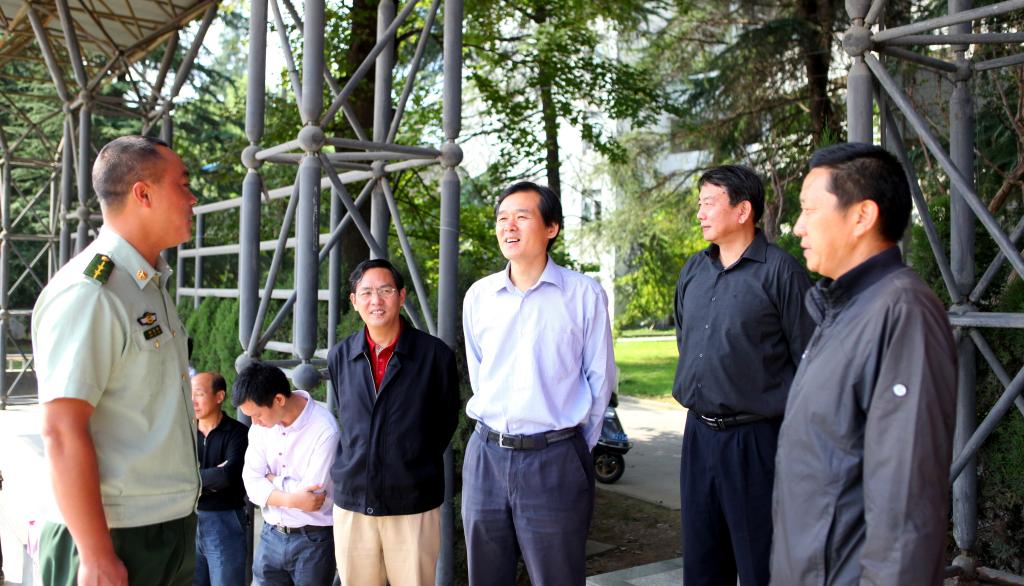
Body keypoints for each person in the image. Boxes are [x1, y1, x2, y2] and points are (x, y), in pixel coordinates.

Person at [771, 143, 958, 585]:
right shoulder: (842, 308)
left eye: (809, 210)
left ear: (861, 216)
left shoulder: (902, 313)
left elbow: (906, 504)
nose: (797, 227)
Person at [32, 135, 200, 586]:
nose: (193, 198)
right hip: (114, 536)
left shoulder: (144, 285)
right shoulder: (91, 291)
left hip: (162, 527)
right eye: (182, 184)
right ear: (143, 194)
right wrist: (95, 554)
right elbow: (61, 429)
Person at [462, 181, 616, 585]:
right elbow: (480, 374)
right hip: (486, 457)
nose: (508, 226)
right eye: (502, 218)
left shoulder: (583, 295)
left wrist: (570, 449)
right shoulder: (479, 297)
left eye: (521, 217)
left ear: (551, 228)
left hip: (555, 460)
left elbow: (600, 381)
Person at [672, 165, 814, 586]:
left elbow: (810, 363)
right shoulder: (693, 270)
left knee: (760, 565)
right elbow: (687, 341)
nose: (700, 213)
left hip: (756, 442)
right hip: (698, 437)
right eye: (699, 203)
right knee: (702, 564)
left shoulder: (782, 272)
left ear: (743, 210)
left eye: (709, 203)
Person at [326, 258, 460, 585]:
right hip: (354, 501)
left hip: (412, 501)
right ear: (354, 301)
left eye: (385, 291)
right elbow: (351, 420)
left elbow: (445, 422)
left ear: (401, 296)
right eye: (366, 292)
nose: (376, 300)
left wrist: (409, 459)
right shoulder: (340, 355)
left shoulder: (435, 356)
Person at [235, 361, 338, 586]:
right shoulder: (260, 429)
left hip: (313, 540)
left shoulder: (324, 429)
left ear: (279, 400)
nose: (254, 423)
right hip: (270, 534)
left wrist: (272, 480)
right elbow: (251, 483)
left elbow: (313, 497)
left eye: (257, 415)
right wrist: (293, 499)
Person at [192, 372, 249, 586]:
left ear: (219, 396)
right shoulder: (184, 433)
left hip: (225, 521)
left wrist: (190, 480)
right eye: (189, 394)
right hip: (188, 520)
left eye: (199, 394)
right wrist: (211, 477)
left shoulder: (238, 433)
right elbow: (170, 476)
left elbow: (227, 476)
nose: (193, 401)